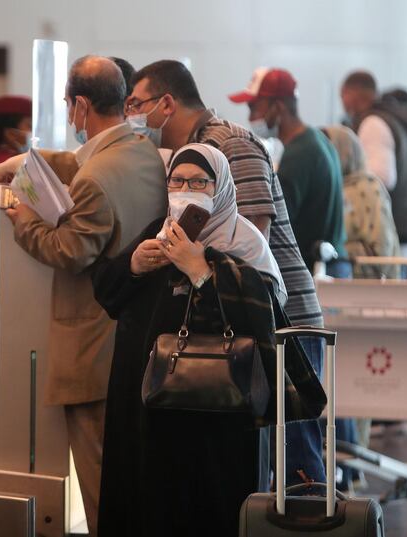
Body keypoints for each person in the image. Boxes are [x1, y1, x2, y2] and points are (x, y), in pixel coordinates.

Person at [126, 59, 326, 488]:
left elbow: (253, 234)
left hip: (282, 320)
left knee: (293, 456)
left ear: (166, 104)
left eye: (137, 104)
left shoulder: (229, 144)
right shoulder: (195, 151)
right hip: (236, 327)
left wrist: (202, 267)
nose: (134, 117)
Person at [92, 143, 299, 537]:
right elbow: (108, 295)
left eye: (199, 181)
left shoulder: (244, 241)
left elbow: (266, 314)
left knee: (210, 505)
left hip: (218, 409)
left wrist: (203, 270)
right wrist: (134, 266)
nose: (186, 188)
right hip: (151, 403)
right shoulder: (159, 231)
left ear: (219, 186)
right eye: (178, 180)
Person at [3, 55, 167, 537]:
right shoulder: (142, 153)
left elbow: (70, 251)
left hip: (94, 351)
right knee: (130, 483)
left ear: (78, 105)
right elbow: (86, 164)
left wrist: (24, 220)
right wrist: (31, 163)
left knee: (100, 492)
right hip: (136, 342)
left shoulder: (94, 180)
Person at [243, 68, 348, 276]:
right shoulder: (318, 140)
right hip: (333, 264)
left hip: (314, 270)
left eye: (255, 107)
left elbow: (278, 223)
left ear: (278, 106)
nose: (251, 117)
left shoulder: (300, 154)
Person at [340, 71, 407, 256]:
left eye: (342, 96)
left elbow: (381, 177)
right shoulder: (398, 120)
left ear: (351, 94)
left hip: (393, 231)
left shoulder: (373, 123)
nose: (343, 104)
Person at [322, 125, 401, 279]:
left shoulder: (368, 188)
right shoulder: (330, 187)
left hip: (367, 285)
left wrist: (340, 252)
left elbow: (382, 249)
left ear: (341, 152)